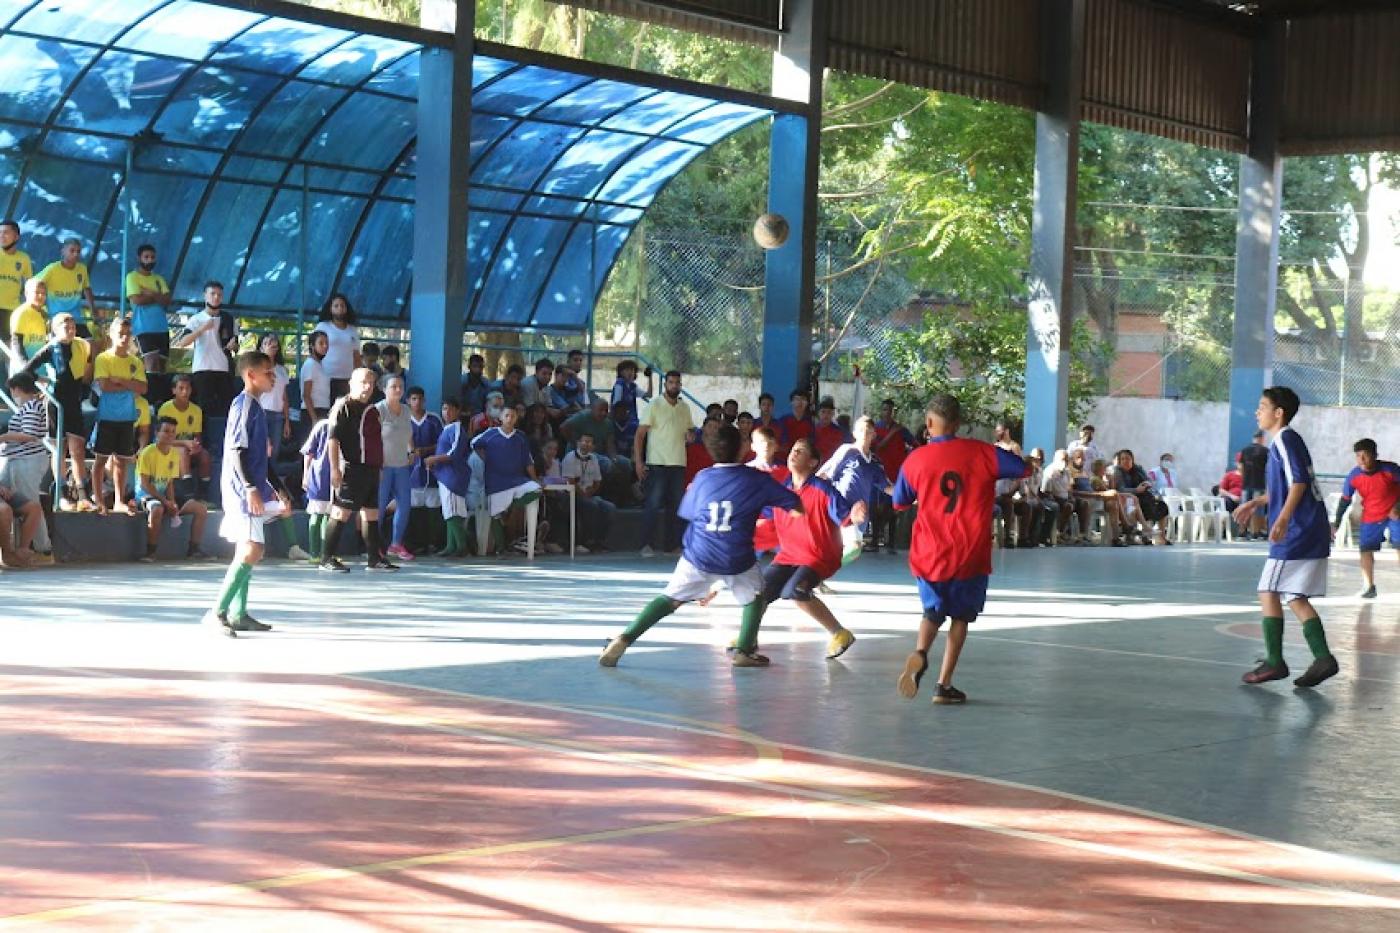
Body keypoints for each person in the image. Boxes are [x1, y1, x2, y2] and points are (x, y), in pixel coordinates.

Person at [600, 423, 802, 669]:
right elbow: (795, 505)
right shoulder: (757, 478)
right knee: (756, 596)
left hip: (699, 553)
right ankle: (745, 650)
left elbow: (689, 513)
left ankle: (624, 638)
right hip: (735, 556)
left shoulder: (703, 477)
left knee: (670, 598)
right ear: (742, 449)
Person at [893, 394, 1028, 705]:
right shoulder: (982, 452)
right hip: (969, 551)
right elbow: (1021, 470)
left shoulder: (915, 460)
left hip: (929, 552)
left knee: (932, 611)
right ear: (958, 423)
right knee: (961, 618)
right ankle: (944, 684)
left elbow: (899, 502)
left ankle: (920, 652)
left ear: (929, 423)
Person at [1233, 387, 1337, 689]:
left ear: (1279, 413)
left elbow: (1300, 483)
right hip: (1309, 527)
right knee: (1293, 595)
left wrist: (1282, 519)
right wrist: (1258, 502)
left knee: (1268, 589)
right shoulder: (1286, 441)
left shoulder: (1285, 439)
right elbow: (1289, 485)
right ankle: (1323, 658)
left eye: (1262, 406)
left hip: (1298, 530)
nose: (1257, 411)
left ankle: (1275, 662)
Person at [206, 351, 286, 636]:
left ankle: (238, 613)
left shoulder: (257, 409)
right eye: (268, 372)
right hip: (241, 489)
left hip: (251, 487)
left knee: (247, 548)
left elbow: (262, 458)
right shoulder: (244, 406)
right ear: (250, 375)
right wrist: (251, 488)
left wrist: (279, 489)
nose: (273, 377)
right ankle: (217, 612)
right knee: (253, 547)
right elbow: (237, 450)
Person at [762, 437, 864, 659]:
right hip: (788, 556)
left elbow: (845, 516)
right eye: (792, 449)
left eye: (800, 451)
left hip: (819, 556)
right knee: (758, 592)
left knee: (796, 591)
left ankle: (840, 633)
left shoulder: (823, 489)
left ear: (813, 462)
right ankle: (746, 638)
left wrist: (855, 516)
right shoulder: (782, 492)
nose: (793, 453)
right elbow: (766, 518)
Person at [319, 368, 397, 573]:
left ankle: (374, 559)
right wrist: (335, 468)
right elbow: (333, 440)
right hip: (350, 468)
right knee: (340, 512)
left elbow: (376, 442)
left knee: (371, 514)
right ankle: (326, 558)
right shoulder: (342, 407)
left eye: (371, 383)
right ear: (351, 383)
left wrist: (378, 466)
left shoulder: (372, 410)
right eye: (363, 382)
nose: (367, 387)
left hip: (370, 470)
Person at [20, 313, 92, 510]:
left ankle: (83, 495)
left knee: (78, 449)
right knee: (60, 449)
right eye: (64, 325)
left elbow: (85, 370)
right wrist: (43, 380)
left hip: (74, 403)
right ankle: (61, 494)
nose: (70, 328)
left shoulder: (82, 345)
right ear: (55, 328)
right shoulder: (51, 348)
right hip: (56, 403)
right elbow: (27, 370)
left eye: (72, 325)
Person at [90, 318, 146, 515]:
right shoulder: (103, 359)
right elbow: (104, 386)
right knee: (100, 461)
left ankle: (119, 501)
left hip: (127, 418)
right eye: (120, 333)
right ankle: (98, 501)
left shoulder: (135, 362)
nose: (124, 337)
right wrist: (129, 384)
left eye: (127, 334)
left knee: (122, 461)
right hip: (106, 417)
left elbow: (143, 388)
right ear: (111, 334)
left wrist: (121, 380)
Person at [635, 370, 693, 556]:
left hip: (678, 463)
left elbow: (689, 432)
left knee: (676, 506)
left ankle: (672, 545)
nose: (674, 385)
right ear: (665, 384)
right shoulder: (654, 404)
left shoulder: (685, 408)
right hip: (657, 463)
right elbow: (640, 434)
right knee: (652, 504)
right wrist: (638, 461)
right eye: (671, 382)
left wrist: (690, 436)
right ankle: (645, 544)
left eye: (677, 382)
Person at [136, 417, 209, 562]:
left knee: (201, 509)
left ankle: (193, 550)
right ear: (157, 433)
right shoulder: (147, 453)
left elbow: (169, 482)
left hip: (164, 497)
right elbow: (145, 485)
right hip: (146, 495)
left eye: (173, 432)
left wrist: (172, 502)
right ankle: (150, 552)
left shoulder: (174, 454)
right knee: (157, 509)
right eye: (166, 431)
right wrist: (165, 501)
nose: (170, 435)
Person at [1333, 438, 1400, 598]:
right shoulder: (1354, 476)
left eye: (1366, 455)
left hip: (1394, 513)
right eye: (1358, 456)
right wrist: (1336, 523)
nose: (1361, 459)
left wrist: (1398, 507)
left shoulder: (1390, 470)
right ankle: (1368, 587)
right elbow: (1345, 500)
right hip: (1371, 514)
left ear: (1375, 455)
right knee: (1365, 549)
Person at [472, 404, 542, 555]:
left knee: (536, 489)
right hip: (496, 481)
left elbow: (528, 461)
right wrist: (485, 459)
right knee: (495, 513)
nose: (510, 419)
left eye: (513, 416)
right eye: (507, 416)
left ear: (517, 418)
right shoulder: (490, 434)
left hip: (517, 480)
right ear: (501, 418)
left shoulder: (521, 437)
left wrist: (535, 478)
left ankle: (511, 507)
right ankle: (501, 548)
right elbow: (474, 444)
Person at [0, 372, 52, 560]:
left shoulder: (31, 406)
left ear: (17, 389)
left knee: (30, 502)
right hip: (17, 461)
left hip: (27, 462)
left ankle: (42, 547)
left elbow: (29, 435)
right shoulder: (29, 407)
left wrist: (4, 438)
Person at [173, 281, 236, 418]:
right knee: (203, 410)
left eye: (219, 294)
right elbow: (183, 341)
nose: (216, 297)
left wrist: (233, 345)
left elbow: (235, 343)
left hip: (223, 369)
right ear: (205, 296)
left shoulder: (229, 319)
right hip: (202, 369)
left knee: (226, 410)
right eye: (212, 294)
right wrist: (202, 329)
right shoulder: (196, 319)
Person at [376, 374, 417, 562]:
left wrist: (411, 451)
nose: (398, 390)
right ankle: (374, 545)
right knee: (379, 507)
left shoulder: (407, 410)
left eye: (401, 386)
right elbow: (371, 438)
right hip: (383, 467)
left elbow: (408, 432)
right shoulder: (379, 409)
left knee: (405, 505)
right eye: (393, 386)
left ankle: (396, 544)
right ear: (384, 389)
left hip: (401, 466)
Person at [425, 398, 473, 557]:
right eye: (445, 409)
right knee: (449, 510)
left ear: (458, 411)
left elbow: (454, 453)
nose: (447, 412)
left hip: (453, 476)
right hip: (445, 476)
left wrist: (434, 459)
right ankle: (450, 545)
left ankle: (461, 546)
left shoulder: (457, 428)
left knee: (452, 512)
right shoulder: (447, 428)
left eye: (451, 409)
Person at [158, 374, 211, 500]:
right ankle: (188, 496)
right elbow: (163, 439)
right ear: (173, 390)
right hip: (168, 448)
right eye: (181, 388)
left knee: (205, 456)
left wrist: (196, 446)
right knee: (182, 452)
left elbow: (197, 435)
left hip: (188, 447)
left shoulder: (196, 410)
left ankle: (204, 497)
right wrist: (185, 443)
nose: (185, 392)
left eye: (187, 388)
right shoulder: (166, 409)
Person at [127, 244, 172, 383]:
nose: (149, 260)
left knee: (162, 367)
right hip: (144, 328)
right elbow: (136, 299)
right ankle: (150, 398)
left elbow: (167, 301)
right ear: (139, 258)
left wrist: (151, 293)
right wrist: (157, 296)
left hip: (162, 328)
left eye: (152, 257)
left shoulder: (159, 279)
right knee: (151, 364)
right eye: (146, 257)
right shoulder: (132, 277)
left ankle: (160, 399)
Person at [562, 432, 613, 552]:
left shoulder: (594, 458)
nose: (586, 444)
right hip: (573, 494)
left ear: (593, 446)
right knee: (591, 505)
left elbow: (597, 480)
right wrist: (583, 494)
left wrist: (592, 490)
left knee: (610, 508)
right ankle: (585, 541)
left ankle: (599, 541)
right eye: (584, 441)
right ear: (578, 443)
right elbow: (570, 481)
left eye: (589, 442)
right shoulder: (570, 457)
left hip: (589, 494)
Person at [37, 238, 97, 339]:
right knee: (63, 348)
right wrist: (39, 308)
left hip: (76, 319)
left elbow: (87, 289)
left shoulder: (82, 269)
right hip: (57, 320)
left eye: (78, 251)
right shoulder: (52, 269)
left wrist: (93, 310)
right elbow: (34, 284)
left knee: (89, 345)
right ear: (63, 251)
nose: (75, 254)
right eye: (72, 250)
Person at [1111, 449, 1170, 545]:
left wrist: (1147, 483)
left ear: (1132, 460)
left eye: (1128, 459)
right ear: (1119, 461)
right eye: (1123, 459)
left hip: (1143, 498)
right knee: (1133, 505)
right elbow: (1120, 489)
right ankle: (1139, 535)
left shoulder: (1138, 469)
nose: (1126, 461)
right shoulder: (1117, 472)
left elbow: (1149, 480)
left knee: (1163, 506)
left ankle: (1161, 537)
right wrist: (1136, 490)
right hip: (1126, 499)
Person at [314, 293, 360, 399]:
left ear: (346, 309)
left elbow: (356, 356)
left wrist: (357, 377)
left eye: (342, 305)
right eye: (336, 305)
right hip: (326, 377)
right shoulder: (323, 326)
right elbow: (315, 351)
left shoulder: (353, 330)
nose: (339, 308)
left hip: (348, 379)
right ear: (330, 309)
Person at [300, 417, 333, 563]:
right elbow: (309, 452)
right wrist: (306, 475)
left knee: (330, 515)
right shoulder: (323, 426)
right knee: (317, 513)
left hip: (337, 479)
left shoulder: (350, 426)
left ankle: (326, 553)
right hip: (319, 477)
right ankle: (314, 553)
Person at [255, 334, 292, 458]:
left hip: (278, 415)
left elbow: (285, 397)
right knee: (261, 449)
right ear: (261, 348)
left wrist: (287, 421)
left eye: (274, 342)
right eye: (267, 343)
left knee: (274, 451)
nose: (271, 344)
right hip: (261, 413)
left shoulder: (282, 370)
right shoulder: (257, 368)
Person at [0, 219, 33, 344]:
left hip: (13, 311)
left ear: (16, 236)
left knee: (9, 349)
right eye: (0, 233)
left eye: (6, 233)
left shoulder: (24, 258)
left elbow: (29, 285)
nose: (1, 236)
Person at [1237, 429, 1270, 540]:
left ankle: (1242, 532)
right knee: (1257, 508)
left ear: (1253, 438)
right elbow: (1269, 469)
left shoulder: (1245, 450)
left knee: (1244, 507)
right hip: (1259, 483)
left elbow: (1240, 467)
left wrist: (1244, 478)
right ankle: (1255, 532)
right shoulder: (1266, 451)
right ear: (1262, 439)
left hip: (1246, 484)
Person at [8, 278, 49, 365]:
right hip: (24, 369)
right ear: (26, 293)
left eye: (44, 293)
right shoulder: (22, 313)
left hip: (40, 367)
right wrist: (25, 366)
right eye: (37, 292)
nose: (41, 296)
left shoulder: (44, 314)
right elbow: (16, 342)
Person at [300, 329, 332, 427]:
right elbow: (306, 395)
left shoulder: (321, 365)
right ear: (312, 346)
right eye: (321, 343)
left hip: (323, 409)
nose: (325, 346)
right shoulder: (310, 365)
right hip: (313, 411)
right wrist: (314, 418)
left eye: (326, 343)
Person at [610, 360, 650, 428]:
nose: (630, 372)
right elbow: (616, 403)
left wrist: (650, 377)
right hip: (622, 421)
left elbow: (649, 395)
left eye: (632, 370)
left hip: (633, 419)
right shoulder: (620, 384)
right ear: (621, 372)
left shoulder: (633, 386)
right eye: (627, 370)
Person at [812, 398, 848, 462]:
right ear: (818, 413)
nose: (826, 415)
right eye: (823, 412)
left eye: (829, 412)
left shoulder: (839, 432)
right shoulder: (812, 430)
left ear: (833, 414)